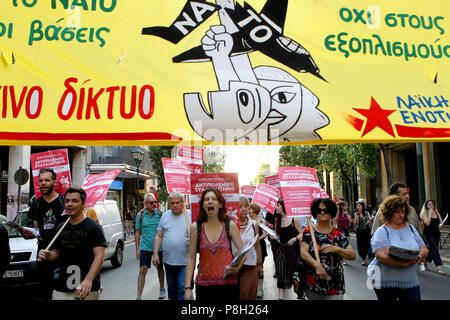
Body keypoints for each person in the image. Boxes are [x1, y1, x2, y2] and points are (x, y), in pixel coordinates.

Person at [37, 187, 107, 300]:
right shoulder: (60, 228)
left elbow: (99, 256)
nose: (70, 204)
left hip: (85, 289)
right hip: (62, 287)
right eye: (67, 201)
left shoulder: (94, 227)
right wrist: (46, 255)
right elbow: (56, 253)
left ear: (83, 204)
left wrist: (88, 280)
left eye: (75, 201)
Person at [185, 188, 245, 301]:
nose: (210, 202)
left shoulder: (230, 226)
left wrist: (235, 268)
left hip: (229, 286)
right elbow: (191, 258)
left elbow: (244, 252)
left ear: (221, 204)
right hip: (204, 287)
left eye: (214, 199)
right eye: (206, 199)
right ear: (203, 205)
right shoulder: (195, 227)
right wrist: (188, 287)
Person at [367, 195, 428, 301]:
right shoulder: (382, 231)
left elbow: (423, 248)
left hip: (410, 280)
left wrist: (420, 256)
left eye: (403, 212)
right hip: (386, 281)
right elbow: (380, 256)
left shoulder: (411, 228)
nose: (401, 215)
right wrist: (403, 264)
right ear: (389, 212)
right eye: (397, 212)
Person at [20, 168, 67, 300]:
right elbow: (36, 229)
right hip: (43, 255)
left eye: (47, 180)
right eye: (40, 180)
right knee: (45, 293)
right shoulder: (36, 203)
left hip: (62, 256)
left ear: (54, 182)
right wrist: (28, 234)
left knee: (63, 293)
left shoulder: (63, 202)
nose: (43, 183)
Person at [301, 198, 356, 300]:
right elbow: (303, 253)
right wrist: (317, 265)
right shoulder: (309, 230)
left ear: (331, 212)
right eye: (319, 210)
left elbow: (352, 255)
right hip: (313, 282)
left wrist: (337, 249)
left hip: (335, 282)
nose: (322, 213)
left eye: (325, 210)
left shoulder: (338, 233)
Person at [153, 192, 191, 300]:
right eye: (172, 203)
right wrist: (155, 254)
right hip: (168, 261)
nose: (174, 205)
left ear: (183, 203)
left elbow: (199, 234)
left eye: (177, 203)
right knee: (172, 289)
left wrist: (193, 238)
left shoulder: (190, 215)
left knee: (182, 288)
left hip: (185, 261)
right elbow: (159, 236)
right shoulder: (165, 216)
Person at [135, 193, 165, 300]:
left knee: (159, 268)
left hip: (159, 247)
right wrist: (137, 248)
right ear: (145, 204)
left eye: (155, 202)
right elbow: (137, 232)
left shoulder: (161, 214)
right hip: (145, 247)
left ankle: (162, 289)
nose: (154, 204)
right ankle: (139, 296)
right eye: (152, 203)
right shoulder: (141, 215)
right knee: (143, 269)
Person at [232, 197, 263, 300]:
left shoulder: (254, 225)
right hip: (233, 267)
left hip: (249, 266)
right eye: (240, 207)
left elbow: (257, 246)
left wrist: (259, 265)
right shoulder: (230, 225)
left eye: (246, 207)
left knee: (246, 295)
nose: (244, 209)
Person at [274, 199, 303, 300]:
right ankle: (281, 298)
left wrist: (294, 239)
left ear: (283, 207)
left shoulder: (293, 219)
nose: (276, 207)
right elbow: (277, 235)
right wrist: (273, 236)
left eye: (278, 205)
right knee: (281, 272)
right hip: (281, 249)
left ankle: (300, 294)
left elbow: (302, 233)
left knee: (293, 274)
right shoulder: (277, 220)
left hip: (293, 251)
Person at [420, 200, 446, 275]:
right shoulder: (424, 213)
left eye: (432, 204)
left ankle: (425, 262)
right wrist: (430, 214)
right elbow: (427, 223)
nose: (431, 205)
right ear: (426, 206)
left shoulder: (437, 212)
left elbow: (441, 223)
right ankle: (439, 267)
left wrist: (441, 225)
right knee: (434, 248)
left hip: (436, 233)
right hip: (428, 233)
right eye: (429, 204)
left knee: (432, 249)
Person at [249, 202, 268, 299]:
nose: (248, 211)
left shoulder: (261, 221)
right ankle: (253, 288)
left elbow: (265, 234)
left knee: (260, 268)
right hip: (249, 248)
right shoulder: (247, 221)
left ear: (254, 210)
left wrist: (256, 240)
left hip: (260, 246)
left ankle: (260, 289)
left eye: (250, 209)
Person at [354, 200, 373, 266]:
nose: (358, 207)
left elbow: (370, 220)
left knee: (367, 244)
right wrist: (357, 216)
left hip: (367, 231)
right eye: (357, 206)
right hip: (360, 231)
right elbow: (357, 223)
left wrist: (370, 221)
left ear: (362, 206)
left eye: (359, 205)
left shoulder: (367, 212)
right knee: (360, 245)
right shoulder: (356, 214)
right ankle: (363, 258)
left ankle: (366, 254)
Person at [333, 200, 352, 265]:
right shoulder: (337, 213)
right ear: (342, 206)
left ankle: (344, 257)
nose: (347, 207)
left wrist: (347, 214)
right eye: (346, 206)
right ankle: (343, 259)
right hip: (340, 231)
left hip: (346, 230)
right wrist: (334, 231)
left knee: (346, 245)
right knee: (342, 245)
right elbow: (334, 223)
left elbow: (350, 221)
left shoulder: (347, 213)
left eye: (347, 206)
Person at [264, 210, 280, 279]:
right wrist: (268, 224)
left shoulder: (285, 212)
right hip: (273, 235)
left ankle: (283, 270)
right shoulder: (270, 211)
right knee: (276, 253)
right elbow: (266, 221)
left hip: (282, 234)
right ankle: (277, 270)